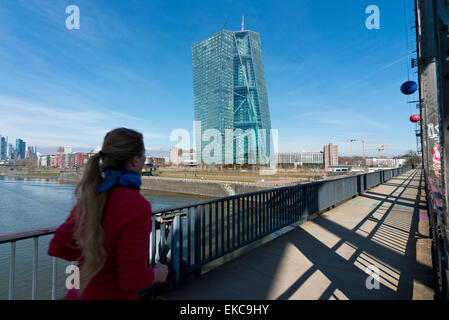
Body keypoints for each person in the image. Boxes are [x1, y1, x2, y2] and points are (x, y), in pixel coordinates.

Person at [48, 128, 168, 299]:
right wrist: (157, 274)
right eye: (143, 156)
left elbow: (58, 247)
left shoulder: (91, 197)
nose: (144, 161)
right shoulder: (136, 205)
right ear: (135, 161)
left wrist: (93, 255)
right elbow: (132, 279)